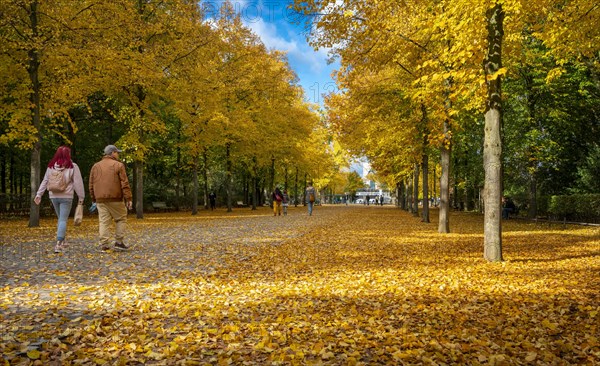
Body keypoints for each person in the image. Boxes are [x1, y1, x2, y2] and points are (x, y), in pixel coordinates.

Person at [34, 146, 85, 253]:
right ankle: (58, 244)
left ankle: (63, 240)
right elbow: (78, 183)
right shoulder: (72, 166)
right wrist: (81, 197)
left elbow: (45, 180)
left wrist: (39, 194)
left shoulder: (51, 166)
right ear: (68, 155)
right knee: (62, 220)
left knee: (60, 219)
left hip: (53, 196)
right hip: (66, 197)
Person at [89, 145, 133, 251]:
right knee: (121, 218)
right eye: (117, 152)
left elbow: (91, 184)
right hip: (115, 198)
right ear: (112, 153)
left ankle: (104, 244)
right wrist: (129, 198)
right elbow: (124, 183)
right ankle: (119, 242)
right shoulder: (119, 165)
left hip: (100, 199)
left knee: (104, 221)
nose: (118, 154)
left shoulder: (96, 166)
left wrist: (94, 198)